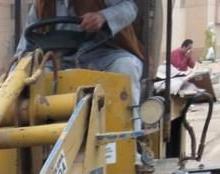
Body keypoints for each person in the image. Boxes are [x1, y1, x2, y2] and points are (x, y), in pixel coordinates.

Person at [15, 0, 144, 103]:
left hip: (102, 54)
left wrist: (103, 16)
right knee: (35, 79)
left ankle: (128, 126)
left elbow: (129, 8)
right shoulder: (41, 5)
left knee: (126, 66)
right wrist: (16, 72)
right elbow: (25, 43)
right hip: (59, 61)